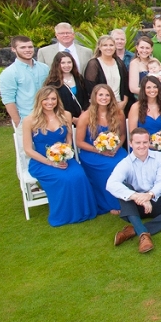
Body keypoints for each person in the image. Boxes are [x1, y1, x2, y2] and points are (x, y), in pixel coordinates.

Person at [107, 127, 161, 253]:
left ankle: (135, 229)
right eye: (137, 143)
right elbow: (110, 184)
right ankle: (144, 236)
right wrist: (136, 196)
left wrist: (149, 195)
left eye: (145, 142)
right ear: (131, 143)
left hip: (155, 200)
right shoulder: (125, 163)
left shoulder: (159, 158)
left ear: (149, 142)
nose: (142, 146)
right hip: (135, 206)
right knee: (125, 189)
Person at [23, 86, 97, 227]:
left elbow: (68, 139)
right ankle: (64, 214)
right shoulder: (30, 120)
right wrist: (51, 163)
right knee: (63, 178)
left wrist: (65, 153)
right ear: (40, 100)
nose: (50, 102)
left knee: (79, 175)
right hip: (42, 161)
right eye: (46, 99)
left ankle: (83, 212)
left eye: (53, 98)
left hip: (64, 158)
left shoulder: (66, 115)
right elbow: (28, 149)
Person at [75, 84, 128, 215]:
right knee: (110, 166)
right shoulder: (86, 116)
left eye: (107, 95)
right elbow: (79, 142)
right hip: (91, 152)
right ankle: (111, 203)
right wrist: (99, 150)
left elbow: (122, 135)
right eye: (100, 95)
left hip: (113, 149)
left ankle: (127, 198)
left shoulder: (118, 113)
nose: (104, 98)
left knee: (125, 161)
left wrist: (117, 147)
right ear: (94, 97)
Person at [127, 76, 161, 198]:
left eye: (155, 87)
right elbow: (133, 131)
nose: (152, 90)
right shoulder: (136, 107)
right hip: (142, 144)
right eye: (148, 87)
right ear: (143, 89)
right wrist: (149, 145)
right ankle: (151, 193)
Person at [83, 35, 130, 112]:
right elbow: (91, 88)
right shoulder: (94, 64)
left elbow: (125, 84)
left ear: (115, 47)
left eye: (111, 45)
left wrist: (124, 102)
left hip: (119, 105)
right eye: (105, 45)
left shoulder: (119, 63)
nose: (109, 48)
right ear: (99, 47)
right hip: (101, 105)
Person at [44, 51, 89, 119]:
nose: (67, 65)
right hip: (63, 119)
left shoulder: (78, 78)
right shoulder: (53, 83)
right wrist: (72, 119)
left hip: (83, 118)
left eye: (69, 62)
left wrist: (84, 114)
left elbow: (85, 98)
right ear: (57, 64)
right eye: (63, 63)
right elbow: (53, 105)